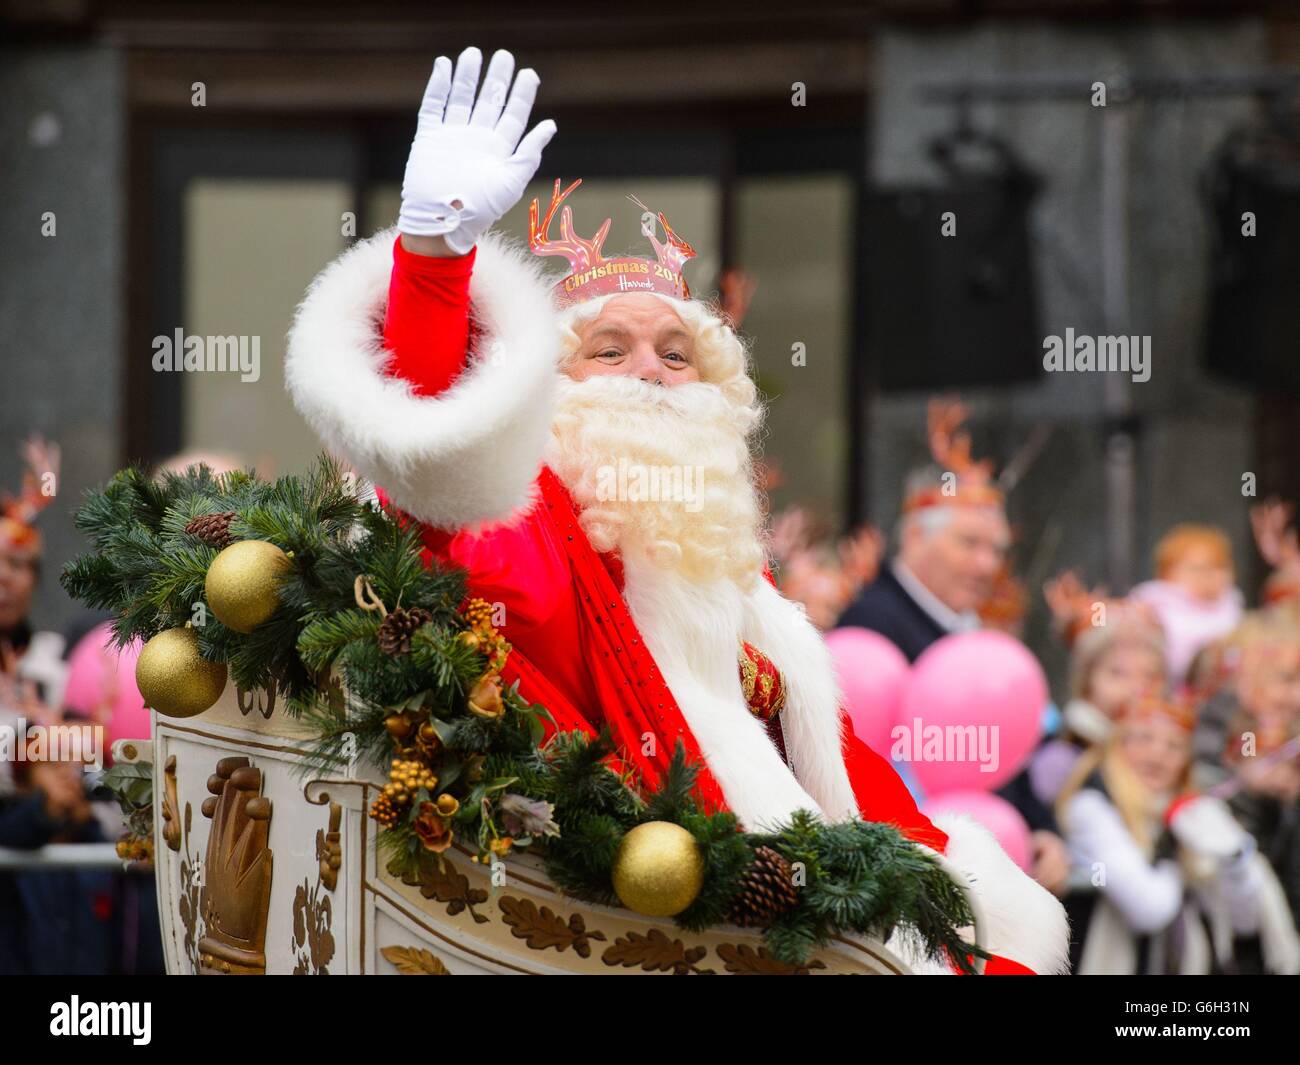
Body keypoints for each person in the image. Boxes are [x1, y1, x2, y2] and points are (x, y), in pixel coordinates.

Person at [285, 46, 1068, 974]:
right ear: (543, 389)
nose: (651, 372)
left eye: (675, 352)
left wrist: (946, 881)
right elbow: (435, 458)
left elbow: (841, 776)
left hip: (813, 910)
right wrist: (433, 256)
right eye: (608, 351)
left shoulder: (737, 580)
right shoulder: (526, 521)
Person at [1057, 696, 1299, 974]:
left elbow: (1244, 920)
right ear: (1117, 746)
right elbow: (1148, 909)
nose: (1158, 754)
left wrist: (1235, 860)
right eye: (1144, 738)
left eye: (1173, 746)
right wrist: (1172, 848)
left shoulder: (1197, 812)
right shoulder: (1091, 806)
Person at [836, 400, 1010, 662]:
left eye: (996, 550)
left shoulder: (967, 630)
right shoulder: (871, 628)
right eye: (969, 542)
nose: (987, 565)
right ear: (915, 536)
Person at [1130, 524, 1243, 685]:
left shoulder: (1232, 606)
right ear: (1167, 573)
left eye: (1218, 567)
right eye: (1197, 569)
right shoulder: (1152, 604)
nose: (1208, 576)